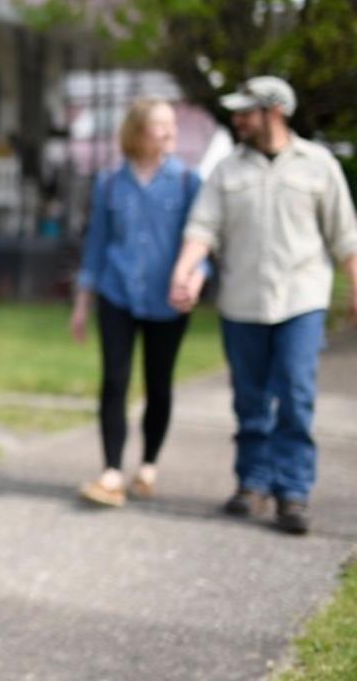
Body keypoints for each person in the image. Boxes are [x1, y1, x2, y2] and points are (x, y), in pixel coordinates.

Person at [169, 75, 357, 535]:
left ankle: (292, 492)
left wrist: (355, 285)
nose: (237, 119)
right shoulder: (227, 171)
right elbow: (203, 228)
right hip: (242, 301)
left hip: (301, 300)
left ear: (274, 111)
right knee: (250, 399)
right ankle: (252, 481)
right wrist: (184, 271)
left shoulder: (318, 165)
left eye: (245, 111)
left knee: (295, 393)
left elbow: (345, 235)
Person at [71, 98, 204, 507]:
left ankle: (147, 464)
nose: (169, 133)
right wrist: (81, 304)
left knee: (158, 383)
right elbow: (95, 246)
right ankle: (111, 470)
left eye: (172, 126)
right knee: (114, 380)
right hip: (117, 294)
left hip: (167, 301)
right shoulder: (110, 182)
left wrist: (198, 279)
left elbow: (202, 243)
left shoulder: (187, 182)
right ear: (137, 132)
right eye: (159, 126)